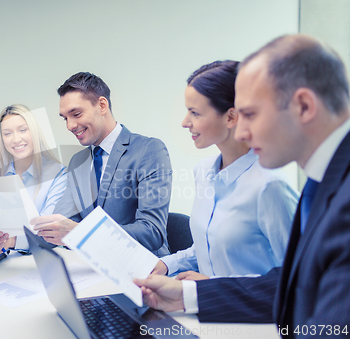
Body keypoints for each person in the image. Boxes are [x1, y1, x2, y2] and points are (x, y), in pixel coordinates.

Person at [135, 34, 350, 334]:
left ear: (303, 106)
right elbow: (290, 283)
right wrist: (188, 295)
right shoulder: (326, 181)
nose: (243, 132)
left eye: (249, 115)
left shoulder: (308, 191)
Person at [152, 60, 298, 279]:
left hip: (246, 312)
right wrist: (166, 264)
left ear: (231, 117)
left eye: (195, 113)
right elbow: (209, 247)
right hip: (202, 308)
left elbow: (296, 278)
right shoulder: (203, 171)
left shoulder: (269, 185)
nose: (185, 122)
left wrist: (209, 287)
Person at [31, 72, 173, 256]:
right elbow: (61, 225)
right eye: (65, 118)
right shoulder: (78, 161)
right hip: (94, 269)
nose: (70, 125)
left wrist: (80, 232)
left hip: (146, 271)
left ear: (102, 105)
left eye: (76, 114)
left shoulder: (149, 150)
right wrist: (10, 238)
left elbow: (152, 232)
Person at [0, 104, 67, 254]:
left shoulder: (58, 174)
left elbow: (49, 231)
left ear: (34, 132)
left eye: (22, 130)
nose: (16, 139)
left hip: (37, 259)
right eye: (7, 133)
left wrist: (11, 241)